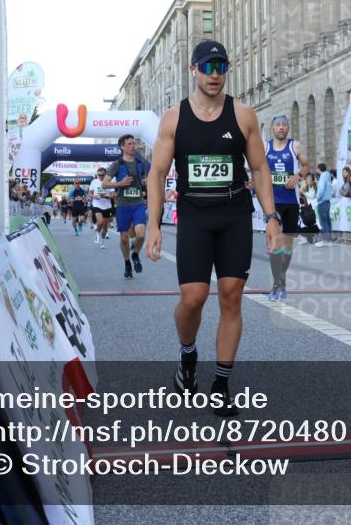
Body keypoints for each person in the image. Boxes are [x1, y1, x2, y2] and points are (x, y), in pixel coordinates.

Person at [145, 39, 281, 417]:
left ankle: (221, 383)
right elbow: (156, 174)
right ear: (193, 71)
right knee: (192, 298)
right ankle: (188, 355)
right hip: (194, 215)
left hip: (234, 213)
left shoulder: (244, 115)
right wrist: (153, 225)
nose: (215, 74)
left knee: (231, 295)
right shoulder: (173, 118)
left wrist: (271, 217)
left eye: (220, 66)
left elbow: (259, 169)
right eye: (207, 67)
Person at [264, 114, 310, 301]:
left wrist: (298, 175)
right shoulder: (264, 147)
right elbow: (256, 168)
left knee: (287, 245)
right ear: (272, 129)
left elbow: (306, 165)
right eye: (278, 125)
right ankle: (277, 283)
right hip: (272, 203)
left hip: (291, 201)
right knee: (275, 243)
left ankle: (281, 278)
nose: (281, 128)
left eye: (284, 125)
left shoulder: (295, 146)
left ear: (288, 128)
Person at [103, 135, 151, 278]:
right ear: (122, 147)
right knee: (124, 238)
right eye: (129, 144)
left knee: (141, 234)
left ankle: (135, 254)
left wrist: (145, 182)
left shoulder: (140, 162)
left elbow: (144, 180)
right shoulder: (117, 164)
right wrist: (119, 184)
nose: (133, 146)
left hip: (138, 203)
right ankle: (127, 263)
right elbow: (104, 183)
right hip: (123, 205)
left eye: (134, 143)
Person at [89, 166, 115, 249]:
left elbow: (113, 195)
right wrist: (94, 196)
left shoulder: (109, 182)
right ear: (97, 175)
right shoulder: (94, 182)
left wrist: (107, 196)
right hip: (97, 204)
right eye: (99, 175)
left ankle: (102, 242)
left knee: (105, 227)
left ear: (105, 174)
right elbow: (90, 194)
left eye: (102, 175)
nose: (100, 176)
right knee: (100, 222)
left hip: (107, 206)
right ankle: (97, 232)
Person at [315, 163, 333, 244]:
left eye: (317, 168)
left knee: (323, 221)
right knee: (327, 220)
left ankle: (325, 239)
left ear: (319, 169)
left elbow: (321, 189)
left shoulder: (322, 177)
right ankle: (329, 238)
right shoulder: (328, 176)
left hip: (322, 201)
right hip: (327, 201)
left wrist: (318, 197)